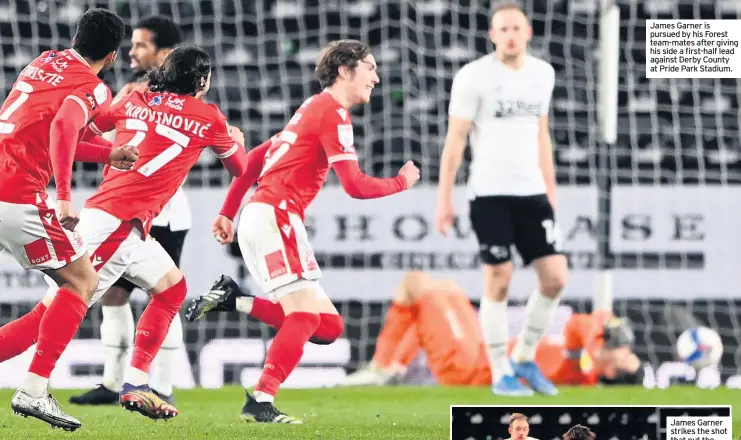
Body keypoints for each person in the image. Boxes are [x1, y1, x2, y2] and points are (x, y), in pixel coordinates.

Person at [3, 45, 249, 421]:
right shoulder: (210, 117)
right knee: (45, 318)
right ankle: (40, 388)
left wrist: (128, 126)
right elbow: (238, 168)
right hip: (116, 224)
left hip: (121, 221)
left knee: (172, 289)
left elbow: (90, 127)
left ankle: (135, 383)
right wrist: (238, 138)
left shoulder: (136, 98)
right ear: (202, 81)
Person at [185, 39, 420, 424]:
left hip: (265, 214)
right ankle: (261, 400)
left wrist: (228, 213)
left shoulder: (312, 106)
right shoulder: (332, 113)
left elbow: (259, 156)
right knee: (305, 317)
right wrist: (400, 182)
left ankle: (234, 300)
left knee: (328, 326)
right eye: (370, 69)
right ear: (346, 70)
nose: (376, 78)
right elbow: (355, 185)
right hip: (277, 215)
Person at [0, 8, 126, 431]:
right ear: (112, 56)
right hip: (18, 197)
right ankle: (34, 390)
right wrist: (67, 197)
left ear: (75, 37)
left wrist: (107, 151)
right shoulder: (95, 88)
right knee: (82, 283)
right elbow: (65, 129)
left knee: (65, 291)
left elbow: (59, 129)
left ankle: (35, 386)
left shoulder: (43, 61)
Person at [435, 0, 567, 396]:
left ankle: (524, 357)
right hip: (489, 193)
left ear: (528, 32)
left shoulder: (543, 74)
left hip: (532, 193)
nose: (510, 35)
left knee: (556, 278)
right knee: (499, 277)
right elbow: (456, 139)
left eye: (516, 28)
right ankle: (499, 372)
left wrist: (551, 186)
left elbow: (541, 132)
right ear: (493, 35)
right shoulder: (473, 76)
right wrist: (445, 199)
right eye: (503, 29)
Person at [70, 14, 188, 407]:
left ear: (165, 53)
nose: (133, 52)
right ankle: (112, 380)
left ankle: (165, 385)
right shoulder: (131, 92)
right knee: (114, 298)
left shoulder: (185, 96)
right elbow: (107, 137)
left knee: (164, 291)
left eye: (141, 45)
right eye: (132, 45)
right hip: (121, 211)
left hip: (162, 214)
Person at [340, 272, 642, 388]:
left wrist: (602, 329)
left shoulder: (580, 373)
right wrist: (606, 322)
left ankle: (381, 368)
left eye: (620, 353)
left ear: (611, 373)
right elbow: (582, 326)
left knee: (415, 285)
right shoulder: (583, 354)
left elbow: (583, 330)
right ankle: (393, 370)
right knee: (447, 290)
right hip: (479, 349)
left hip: (469, 368)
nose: (618, 346)